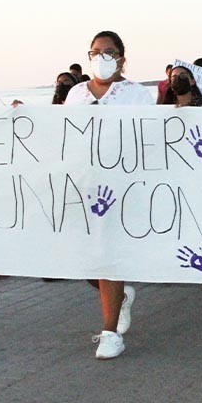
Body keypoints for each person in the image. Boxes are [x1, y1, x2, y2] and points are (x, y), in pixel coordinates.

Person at [64, 30, 153, 360]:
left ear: (122, 59)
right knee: (83, 261)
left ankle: (110, 332)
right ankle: (120, 297)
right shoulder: (75, 94)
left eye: (110, 52)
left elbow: (147, 137)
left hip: (119, 188)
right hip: (82, 187)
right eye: (96, 51)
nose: (102, 57)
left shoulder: (136, 95)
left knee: (107, 255)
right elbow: (60, 134)